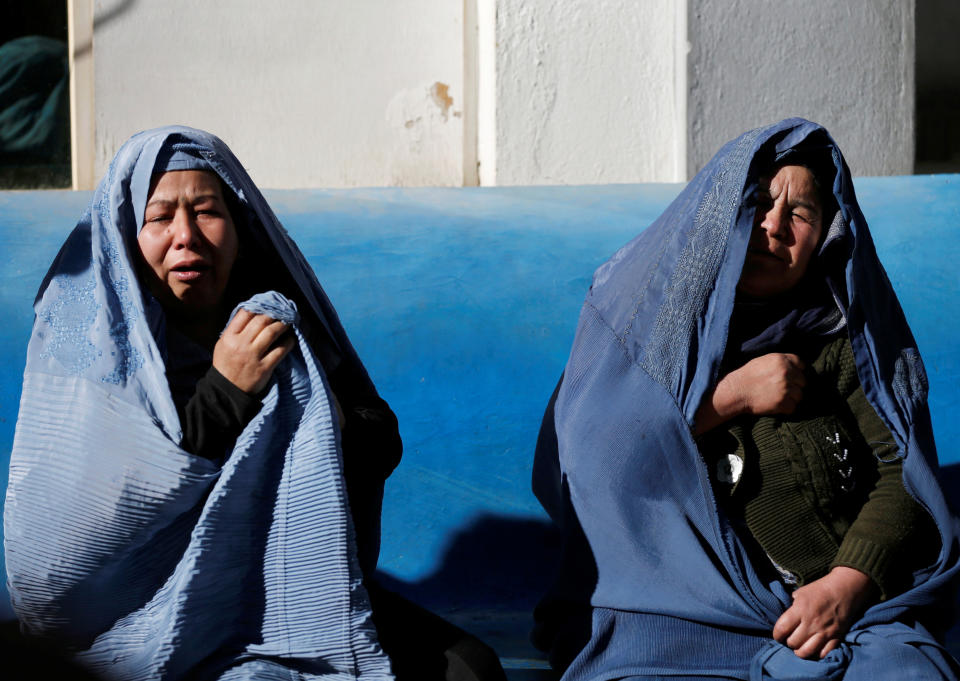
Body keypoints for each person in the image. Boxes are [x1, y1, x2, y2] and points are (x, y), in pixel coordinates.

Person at [4, 126, 504, 681]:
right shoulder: (91, 354)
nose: (186, 235)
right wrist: (226, 392)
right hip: (140, 616)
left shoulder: (276, 320)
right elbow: (74, 543)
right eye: (160, 216)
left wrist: (318, 422)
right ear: (126, 235)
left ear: (240, 226)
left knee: (469, 670)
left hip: (281, 589)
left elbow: (378, 435)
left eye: (206, 210)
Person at [531, 118, 960, 679]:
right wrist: (728, 398)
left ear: (827, 235)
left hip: (827, 619)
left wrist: (849, 582)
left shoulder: (847, 340)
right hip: (668, 620)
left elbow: (904, 473)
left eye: (801, 213)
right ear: (719, 217)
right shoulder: (648, 333)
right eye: (757, 202)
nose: (775, 226)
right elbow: (586, 463)